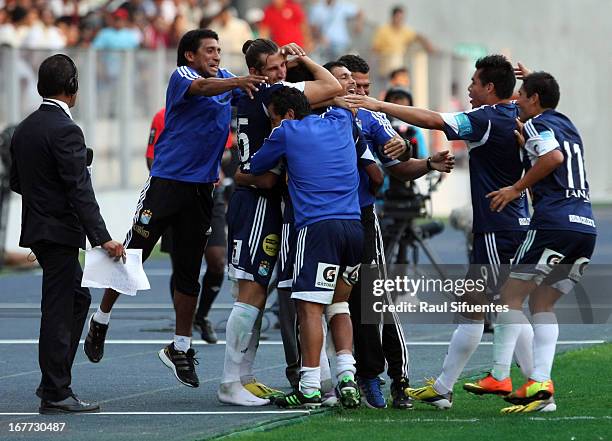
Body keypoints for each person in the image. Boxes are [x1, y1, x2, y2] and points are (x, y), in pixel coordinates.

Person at [345, 54, 535, 409]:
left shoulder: (487, 118)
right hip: (512, 222)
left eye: (475, 83)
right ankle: (444, 387)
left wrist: (375, 104)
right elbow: (537, 102)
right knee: (473, 305)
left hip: (498, 226)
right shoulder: (518, 113)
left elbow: (433, 120)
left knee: (507, 306)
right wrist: (526, 78)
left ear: (490, 88)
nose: (469, 88)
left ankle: (538, 385)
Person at [83, 29, 267, 389]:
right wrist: (238, 82)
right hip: (166, 185)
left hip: (202, 191)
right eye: (209, 51)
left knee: (189, 272)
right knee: (132, 255)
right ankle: (100, 319)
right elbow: (202, 89)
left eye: (219, 50)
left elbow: (262, 90)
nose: (216, 56)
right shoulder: (184, 77)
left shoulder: (229, 80)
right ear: (190, 56)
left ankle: (180, 347)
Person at [219, 38, 343, 406]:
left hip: (258, 198)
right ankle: (229, 382)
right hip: (259, 202)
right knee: (252, 294)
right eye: (274, 67)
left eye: (284, 67)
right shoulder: (271, 92)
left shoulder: (245, 95)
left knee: (258, 293)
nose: (282, 73)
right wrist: (305, 57)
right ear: (257, 72)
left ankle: (244, 377)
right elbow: (333, 88)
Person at [10, 54, 125, 413]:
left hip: (41, 231)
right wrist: (103, 238)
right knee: (61, 308)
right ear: (72, 87)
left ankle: (54, 384)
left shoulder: (25, 127)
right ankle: (56, 392)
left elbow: (17, 181)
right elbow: (79, 190)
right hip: (59, 233)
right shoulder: (66, 129)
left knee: (74, 300)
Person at [338, 53, 453, 409]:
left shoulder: (372, 117)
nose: (360, 91)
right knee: (319, 302)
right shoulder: (316, 114)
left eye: (365, 86)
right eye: (354, 85)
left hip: (360, 215)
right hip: (317, 220)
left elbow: (399, 165)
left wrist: (424, 160)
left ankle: (393, 379)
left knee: (374, 300)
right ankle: (316, 377)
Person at [486, 71, 596, 414]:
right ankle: (540, 385)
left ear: (534, 99)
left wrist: (514, 188)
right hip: (585, 228)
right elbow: (556, 148)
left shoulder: (535, 124)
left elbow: (552, 159)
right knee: (543, 305)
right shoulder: (567, 124)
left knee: (509, 296)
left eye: (522, 93)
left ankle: (500, 375)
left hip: (554, 223)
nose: (516, 99)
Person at [251, 86, 364, 409]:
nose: (273, 124)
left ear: (286, 114)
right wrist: (306, 61)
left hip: (317, 229)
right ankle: (346, 377)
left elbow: (257, 166)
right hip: (354, 228)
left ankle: (310, 386)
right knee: (339, 304)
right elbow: (335, 89)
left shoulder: (286, 130)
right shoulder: (341, 119)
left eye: (273, 118)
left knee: (309, 308)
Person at [145, 107, 226, 344]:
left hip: (210, 195)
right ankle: (185, 326)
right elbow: (151, 158)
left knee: (217, 260)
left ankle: (201, 316)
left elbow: (227, 150)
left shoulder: (216, 111)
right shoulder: (162, 116)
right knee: (181, 265)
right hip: (174, 194)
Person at [372, 5, 433, 79]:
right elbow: (375, 49)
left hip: (400, 67)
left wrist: (427, 44)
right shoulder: (383, 30)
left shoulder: (405, 30)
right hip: (386, 67)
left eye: (401, 18)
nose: (400, 20)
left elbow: (417, 36)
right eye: (398, 17)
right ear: (393, 17)